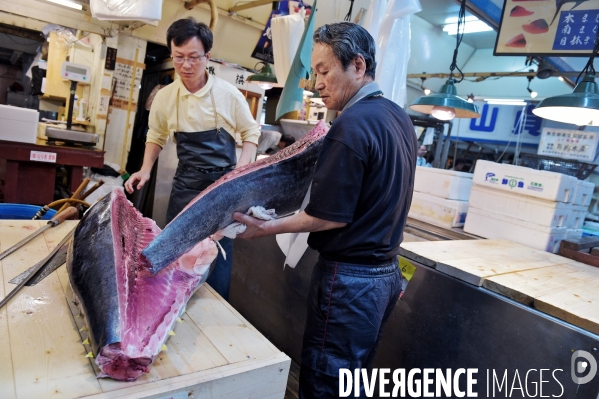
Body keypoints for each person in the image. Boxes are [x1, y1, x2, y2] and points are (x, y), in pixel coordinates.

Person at [233, 22, 416, 398]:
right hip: (385, 278)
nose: (316, 83)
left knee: (326, 383)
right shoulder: (398, 118)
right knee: (354, 382)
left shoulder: (351, 125)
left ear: (358, 67)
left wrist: (264, 228)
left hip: (349, 283)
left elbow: (330, 215)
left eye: (324, 71)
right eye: (314, 71)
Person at [124, 18, 260, 301]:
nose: (186, 65)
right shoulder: (165, 98)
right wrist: (145, 169)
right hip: (186, 183)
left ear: (206, 57)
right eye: (179, 57)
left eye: (194, 58)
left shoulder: (228, 95)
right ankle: (169, 307)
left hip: (223, 187)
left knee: (218, 253)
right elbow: (156, 135)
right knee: (178, 251)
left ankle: (215, 305)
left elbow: (250, 132)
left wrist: (241, 170)